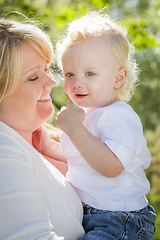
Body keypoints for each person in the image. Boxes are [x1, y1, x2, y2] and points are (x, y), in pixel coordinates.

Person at [45, 11, 156, 239]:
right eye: (70, 74)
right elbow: (78, 157)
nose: (77, 83)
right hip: (92, 214)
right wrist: (42, 144)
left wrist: (74, 129)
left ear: (118, 78)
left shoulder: (119, 116)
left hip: (121, 218)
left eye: (89, 73)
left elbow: (111, 167)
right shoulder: (86, 116)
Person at [0, 17, 85, 240]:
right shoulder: (3, 150)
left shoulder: (46, 143)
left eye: (47, 69)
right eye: (34, 77)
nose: (51, 82)